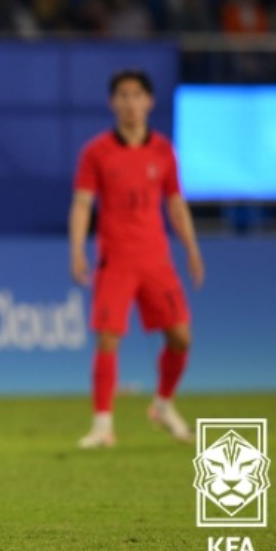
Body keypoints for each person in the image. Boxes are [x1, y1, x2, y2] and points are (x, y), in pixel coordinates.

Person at [69, 69, 206, 449]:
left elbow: (176, 204)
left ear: (149, 101)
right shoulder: (96, 152)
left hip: (155, 258)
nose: (130, 103)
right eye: (123, 96)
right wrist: (78, 248)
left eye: (136, 95)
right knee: (108, 338)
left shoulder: (163, 151)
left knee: (181, 337)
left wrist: (192, 249)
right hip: (116, 258)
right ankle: (102, 425)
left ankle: (163, 403)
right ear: (113, 103)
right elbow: (82, 204)